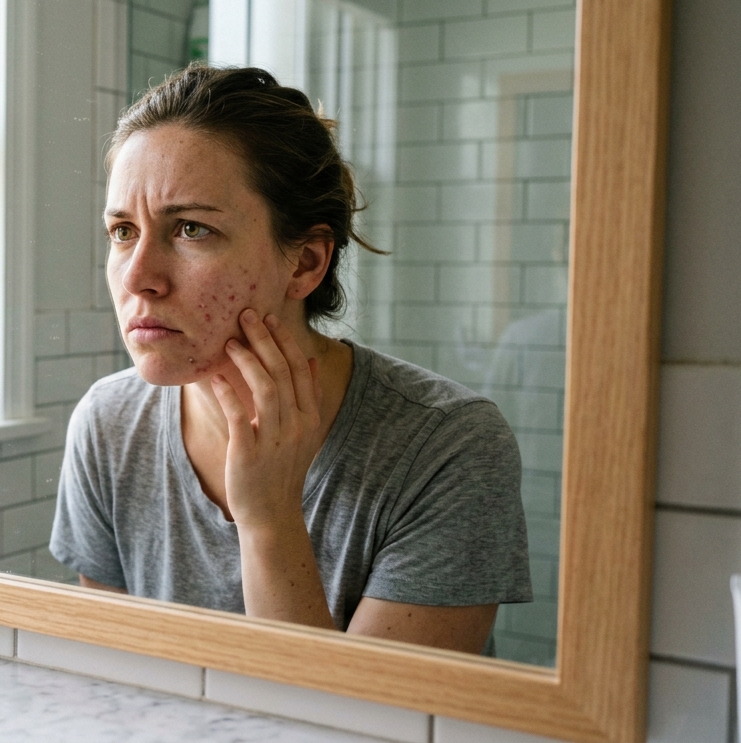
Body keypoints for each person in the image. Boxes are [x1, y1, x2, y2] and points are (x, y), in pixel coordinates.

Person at [49, 66, 531, 655]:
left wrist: (270, 520)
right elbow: (115, 675)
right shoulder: (109, 423)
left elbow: (370, 725)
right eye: (123, 230)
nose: (138, 277)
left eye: (191, 229)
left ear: (304, 263)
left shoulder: (446, 446)